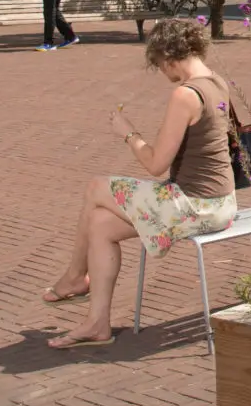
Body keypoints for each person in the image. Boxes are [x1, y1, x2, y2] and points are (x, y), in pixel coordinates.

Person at [45, 18, 239, 347]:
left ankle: (75, 277)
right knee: (100, 224)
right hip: (220, 201)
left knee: (96, 187)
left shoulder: (186, 94)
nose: (163, 72)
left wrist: (127, 132)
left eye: (161, 65)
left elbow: (155, 163)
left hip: (196, 204)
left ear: (168, 56)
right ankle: (97, 324)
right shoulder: (217, 81)